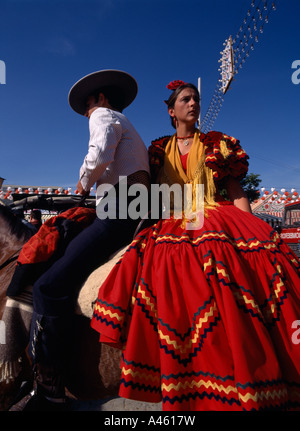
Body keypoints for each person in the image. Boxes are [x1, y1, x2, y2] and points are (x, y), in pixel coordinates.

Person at [91, 80, 300, 411]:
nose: (193, 104)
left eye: (196, 99)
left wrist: (253, 232)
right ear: (171, 111)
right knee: (150, 260)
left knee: (239, 267)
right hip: (173, 218)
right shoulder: (158, 150)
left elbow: (234, 191)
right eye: (186, 99)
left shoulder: (218, 144)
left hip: (217, 215)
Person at [17, 69, 150, 410]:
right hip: (129, 209)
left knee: (48, 287)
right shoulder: (124, 122)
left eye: (88, 104)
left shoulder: (105, 116)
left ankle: (49, 390)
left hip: (118, 215)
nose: (87, 111)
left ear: (101, 99)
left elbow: (100, 153)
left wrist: (82, 184)